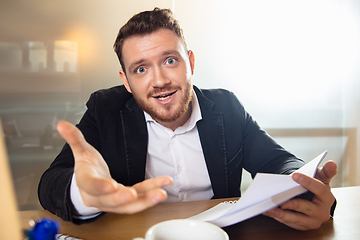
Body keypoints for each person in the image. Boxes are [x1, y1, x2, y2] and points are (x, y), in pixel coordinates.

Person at [38, 8, 337, 231]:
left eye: (170, 61)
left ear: (190, 62)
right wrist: (84, 192)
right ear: (126, 81)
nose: (160, 80)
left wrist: (310, 191)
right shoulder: (105, 110)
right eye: (141, 69)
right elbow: (51, 183)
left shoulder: (226, 107)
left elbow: (280, 163)